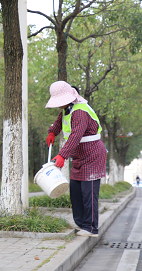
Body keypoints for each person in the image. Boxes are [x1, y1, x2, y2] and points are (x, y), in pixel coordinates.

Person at [44, 81, 107, 238]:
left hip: (92, 155)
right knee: (76, 192)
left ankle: (91, 227)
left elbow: (76, 135)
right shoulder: (67, 109)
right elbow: (59, 122)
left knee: (89, 193)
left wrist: (62, 155)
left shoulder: (80, 111)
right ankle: (81, 223)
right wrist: (52, 132)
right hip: (79, 156)